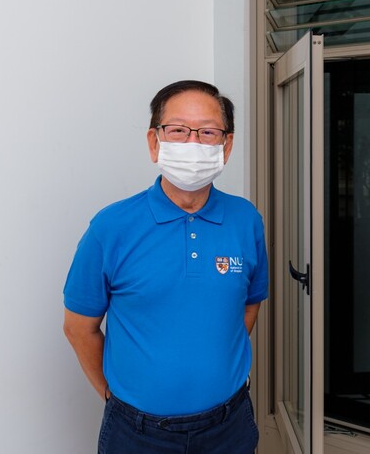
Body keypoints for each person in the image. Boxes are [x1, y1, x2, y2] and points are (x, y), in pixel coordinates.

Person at [63, 80, 268, 454]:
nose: (192, 143)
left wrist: (214, 360)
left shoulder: (246, 220)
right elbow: (79, 328)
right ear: (154, 141)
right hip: (138, 434)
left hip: (230, 425)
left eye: (208, 132)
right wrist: (114, 397)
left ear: (227, 144)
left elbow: (249, 304)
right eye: (177, 130)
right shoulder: (111, 228)